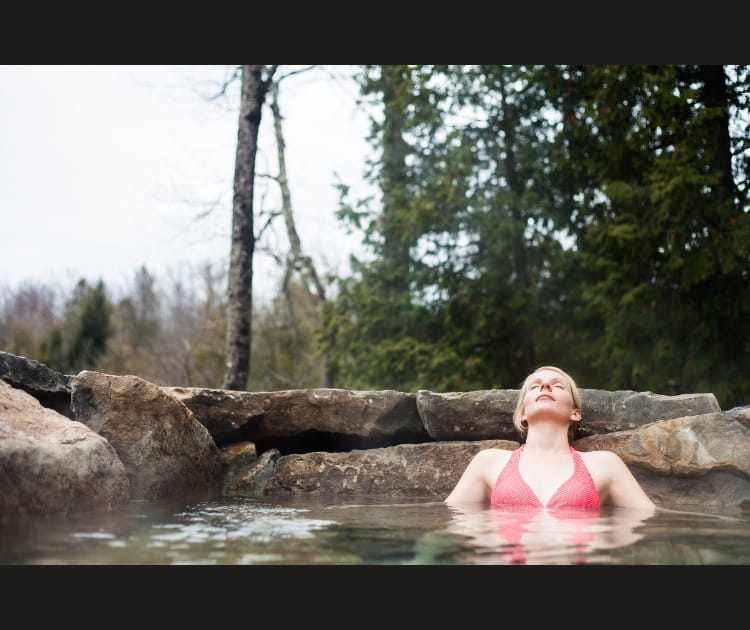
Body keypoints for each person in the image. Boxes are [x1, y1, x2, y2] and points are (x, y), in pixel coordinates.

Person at [444, 366, 656, 512]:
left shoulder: (605, 465)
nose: (544, 385)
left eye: (558, 385)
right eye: (535, 386)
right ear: (522, 413)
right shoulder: (488, 462)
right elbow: (452, 528)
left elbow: (646, 528)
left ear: (575, 413)